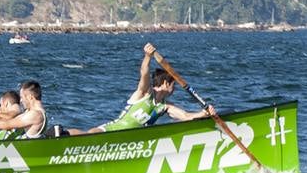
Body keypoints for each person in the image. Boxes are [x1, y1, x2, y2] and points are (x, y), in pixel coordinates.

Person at [66, 43, 214, 135]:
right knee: (87, 134)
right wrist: (147, 56)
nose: (174, 89)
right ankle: (60, 134)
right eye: (173, 85)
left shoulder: (165, 107)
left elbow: (186, 116)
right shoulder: (145, 93)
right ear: (165, 84)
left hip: (130, 140)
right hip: (110, 131)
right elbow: (144, 72)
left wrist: (204, 113)